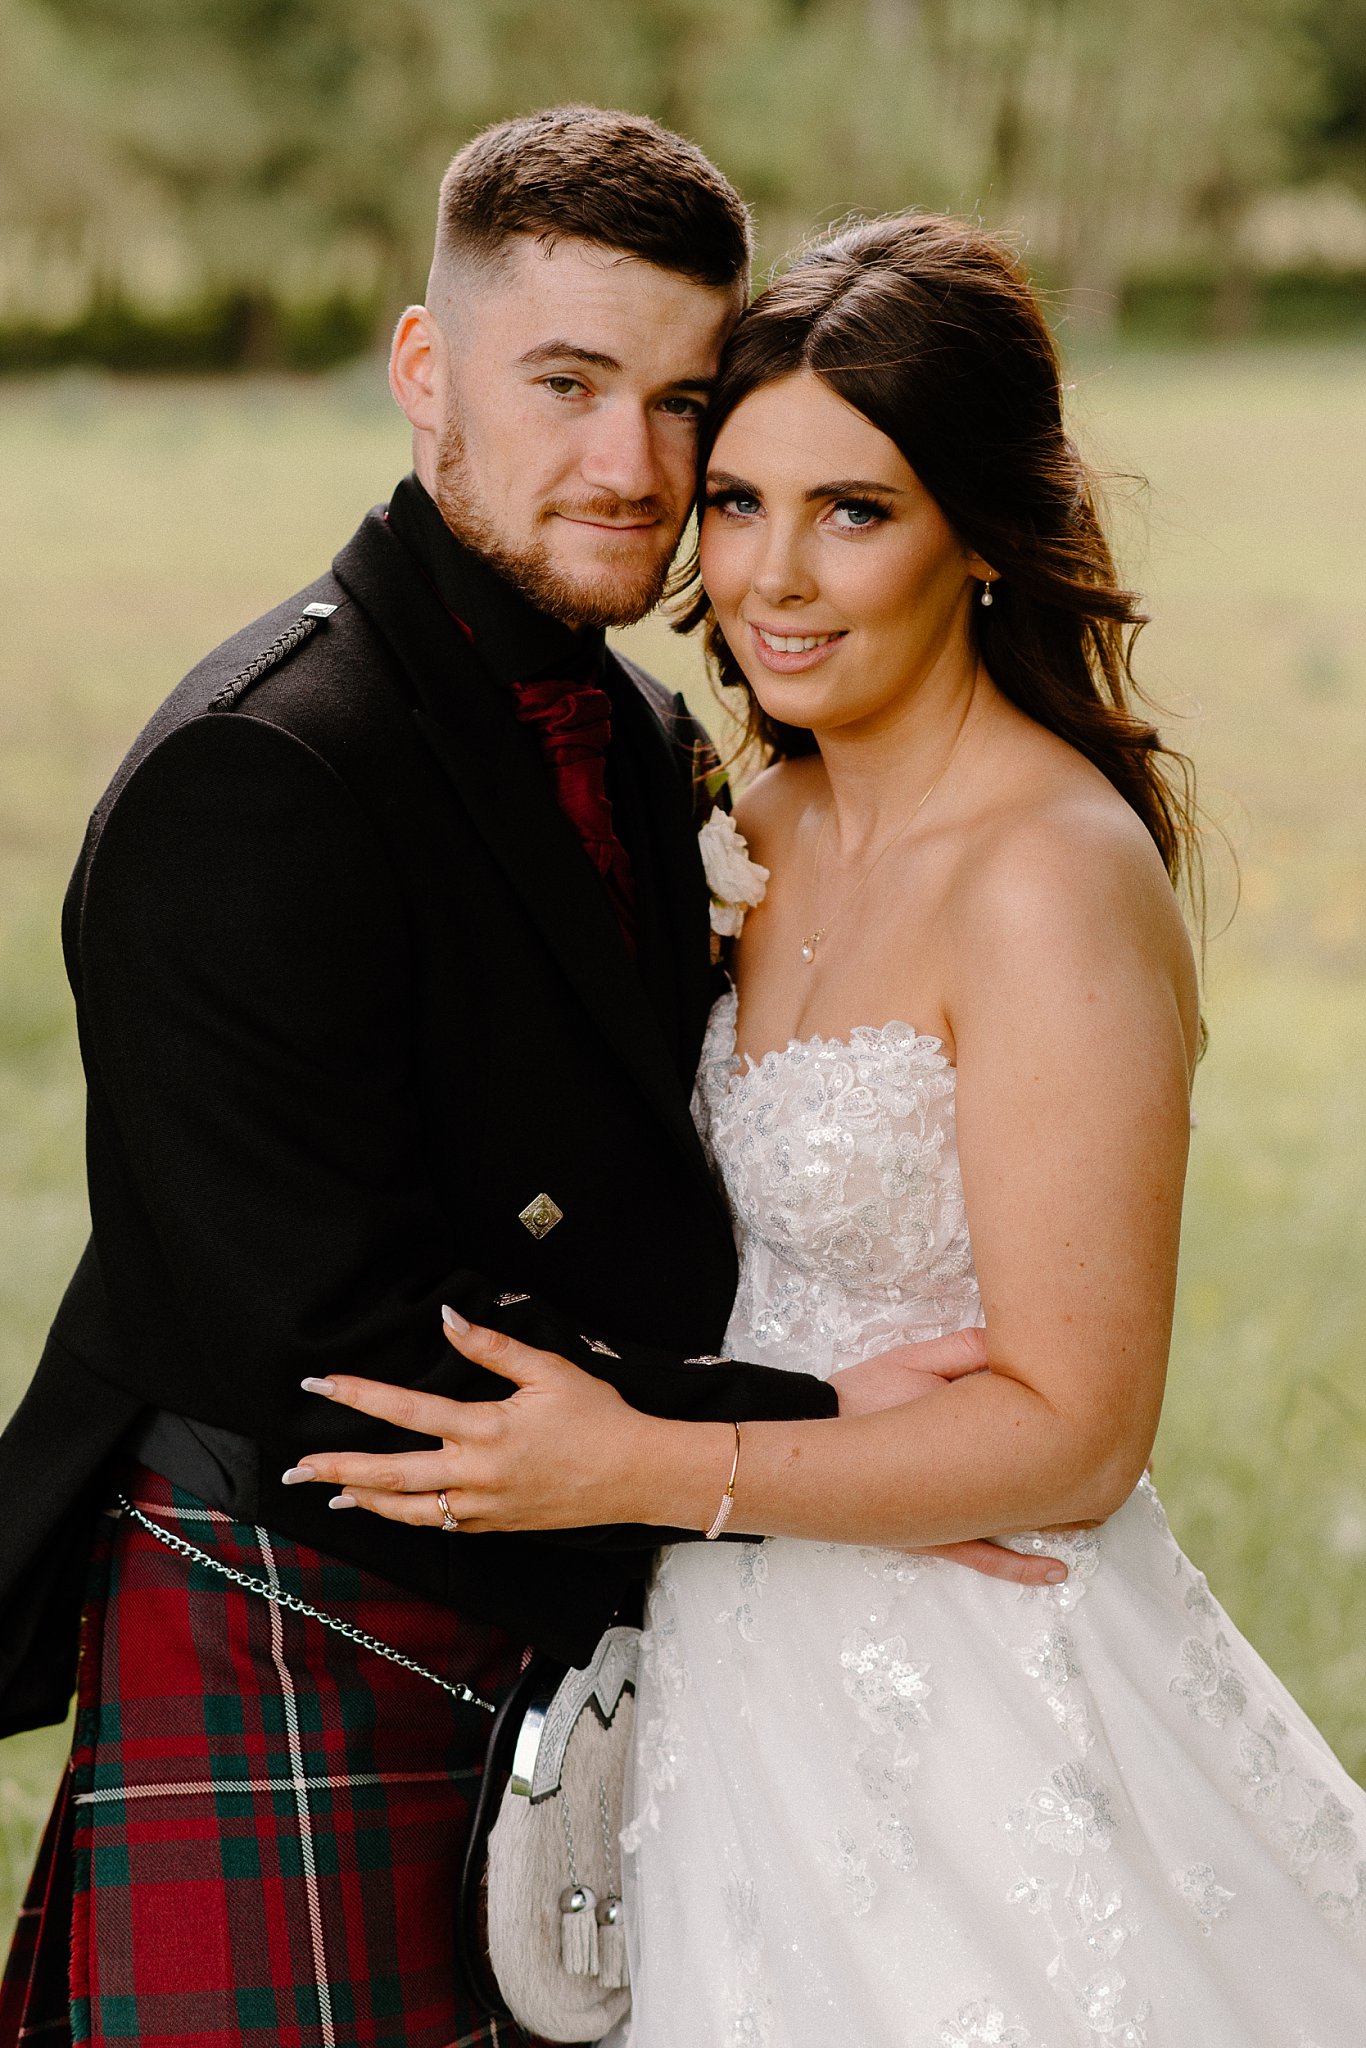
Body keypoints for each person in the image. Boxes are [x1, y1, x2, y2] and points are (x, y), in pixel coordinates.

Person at [0, 122, 1059, 2048]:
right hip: (300, 1591)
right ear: (426, 371)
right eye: (563, 386)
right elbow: (332, 1339)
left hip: (586, 1607)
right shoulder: (266, 773)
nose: (631, 471)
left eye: (679, 403)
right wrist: (793, 1432)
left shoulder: (648, 728)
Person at [292, 215, 1366, 2042]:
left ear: (979, 538)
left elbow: (1076, 1433)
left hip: (977, 1680)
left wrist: (637, 1464)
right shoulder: (743, 826)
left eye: (853, 511)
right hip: (727, 1675)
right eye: (736, 502)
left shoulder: (1046, 878)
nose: (775, 577)